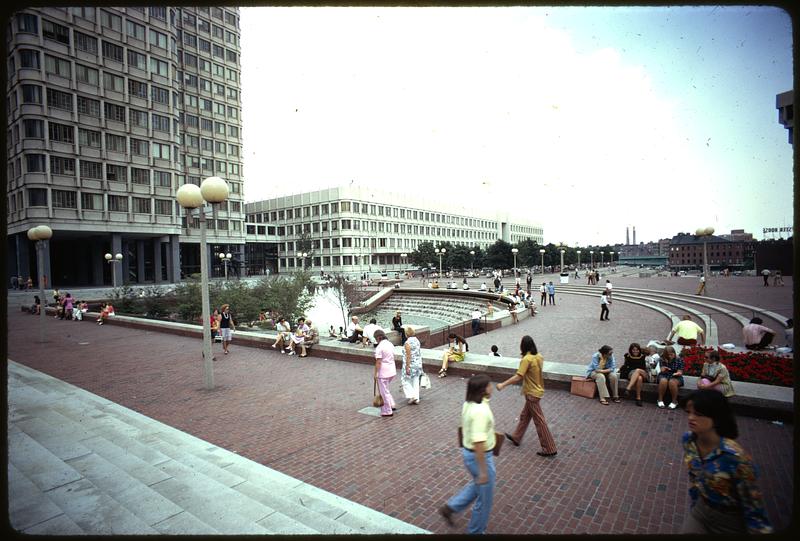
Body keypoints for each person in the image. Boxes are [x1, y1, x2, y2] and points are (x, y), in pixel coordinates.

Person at [680, 390, 773, 534]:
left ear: (715, 417)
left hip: (729, 521)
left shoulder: (735, 457)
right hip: (700, 511)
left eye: (698, 414)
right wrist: (695, 504)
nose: (691, 418)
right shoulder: (688, 441)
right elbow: (694, 477)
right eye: (689, 412)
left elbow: (753, 508)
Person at [439, 374, 496, 534]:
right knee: (485, 500)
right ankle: (476, 532)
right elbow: (479, 442)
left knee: (477, 486)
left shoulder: (469, 404)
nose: (491, 387)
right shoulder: (480, 412)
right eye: (489, 385)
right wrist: (484, 470)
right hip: (480, 456)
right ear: (483, 390)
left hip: (469, 454)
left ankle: (451, 507)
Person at [496, 335, 557, 457]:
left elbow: (519, 376)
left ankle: (550, 448)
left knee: (540, 421)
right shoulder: (538, 356)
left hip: (531, 393)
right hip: (537, 391)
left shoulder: (527, 359)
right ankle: (517, 437)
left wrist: (503, 384)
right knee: (525, 415)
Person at [373, 330, 397, 417]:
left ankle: (387, 410)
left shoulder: (379, 347)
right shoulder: (390, 344)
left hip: (383, 372)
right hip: (392, 370)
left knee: (383, 392)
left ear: (378, 338)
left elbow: (378, 362)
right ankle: (392, 404)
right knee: (386, 389)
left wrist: (376, 373)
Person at [400, 326, 424, 405]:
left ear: (406, 334)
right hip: (418, 364)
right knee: (416, 380)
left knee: (404, 380)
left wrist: (407, 367)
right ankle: (416, 398)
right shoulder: (417, 341)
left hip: (411, 364)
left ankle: (412, 395)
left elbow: (408, 356)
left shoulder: (407, 343)